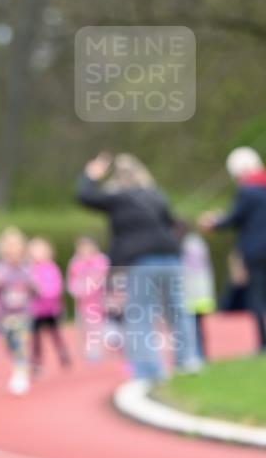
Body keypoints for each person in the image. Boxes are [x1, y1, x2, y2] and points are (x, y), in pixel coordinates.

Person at [76, 152, 199, 381]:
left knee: (140, 315)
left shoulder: (117, 198)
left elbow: (84, 196)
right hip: (170, 257)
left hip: (142, 261)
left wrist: (91, 174)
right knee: (177, 310)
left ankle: (150, 371)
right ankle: (187, 360)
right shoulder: (156, 195)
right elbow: (174, 224)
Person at [199, 146, 266, 351]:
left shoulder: (247, 191)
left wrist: (213, 223)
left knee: (257, 295)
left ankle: (264, 343)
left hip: (256, 251)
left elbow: (235, 218)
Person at [0, 227, 37, 394]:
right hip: (4, 316)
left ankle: (20, 374)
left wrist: (32, 285)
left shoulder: (27, 269)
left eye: (16, 246)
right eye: (9, 246)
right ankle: (18, 364)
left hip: (23, 314)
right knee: (10, 345)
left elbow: (37, 289)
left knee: (21, 343)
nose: (13, 250)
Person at [28, 237, 71, 374]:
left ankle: (63, 354)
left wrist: (45, 292)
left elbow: (57, 286)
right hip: (36, 310)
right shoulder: (30, 269)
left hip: (51, 309)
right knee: (35, 338)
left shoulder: (51, 268)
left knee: (56, 335)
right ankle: (36, 361)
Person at [66, 236, 110, 363]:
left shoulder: (101, 261)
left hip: (100, 302)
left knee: (99, 327)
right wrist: (78, 291)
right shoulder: (75, 263)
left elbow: (106, 278)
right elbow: (71, 281)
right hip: (84, 304)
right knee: (86, 328)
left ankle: (98, 350)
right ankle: (90, 351)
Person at [180, 229, 216, 361]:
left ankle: (195, 355)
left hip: (190, 295)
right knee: (198, 328)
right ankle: (201, 355)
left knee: (191, 328)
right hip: (201, 294)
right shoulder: (197, 243)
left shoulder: (186, 245)